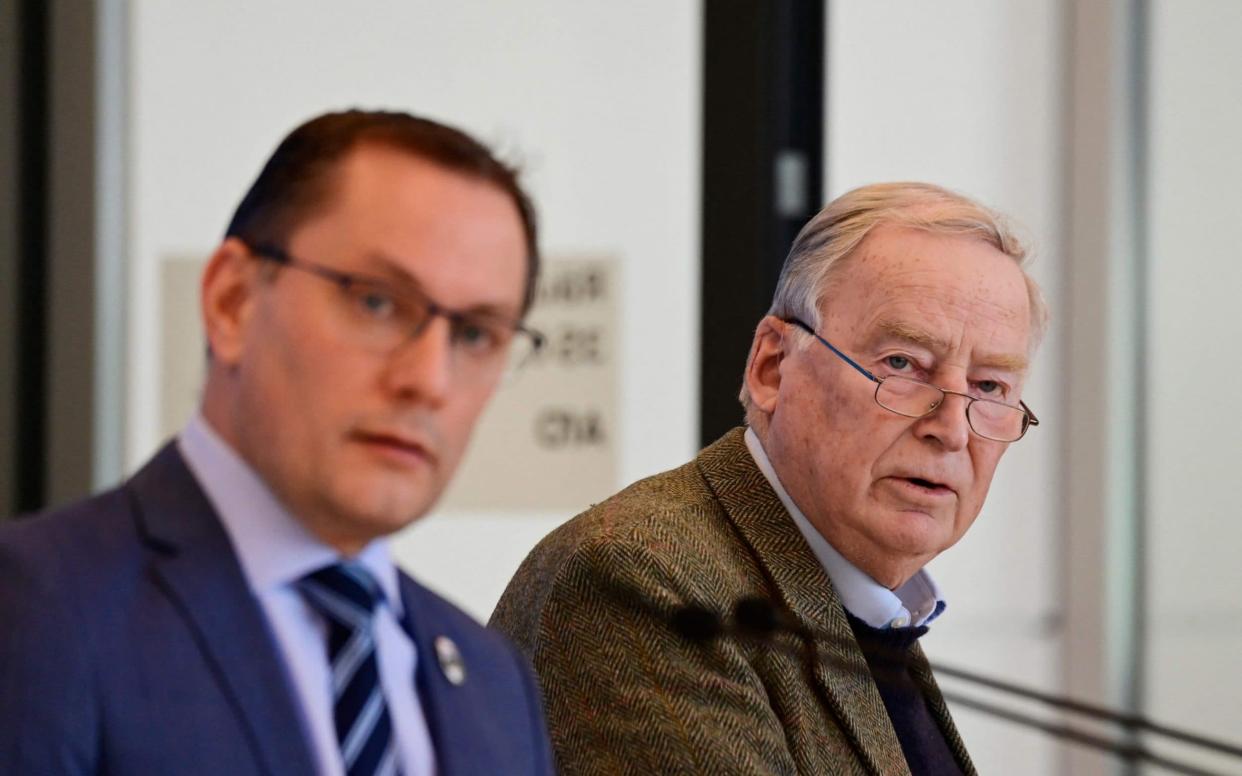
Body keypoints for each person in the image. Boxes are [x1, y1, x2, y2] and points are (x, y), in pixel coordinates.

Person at [0, 110, 554, 776]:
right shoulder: (35, 611)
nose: (429, 382)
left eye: (474, 335)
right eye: (376, 302)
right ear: (232, 301)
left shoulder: (496, 686)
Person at [492, 182, 1048, 775]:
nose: (953, 430)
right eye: (902, 364)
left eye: (990, 387)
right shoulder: (649, 581)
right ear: (773, 367)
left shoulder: (874, 611)